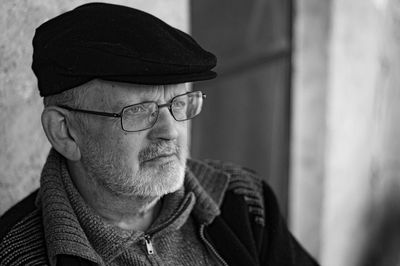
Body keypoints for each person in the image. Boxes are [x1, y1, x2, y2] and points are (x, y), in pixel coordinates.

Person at [0, 3, 318, 266]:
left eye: (178, 103)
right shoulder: (17, 256)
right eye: (139, 110)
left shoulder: (244, 201)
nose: (170, 131)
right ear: (65, 132)